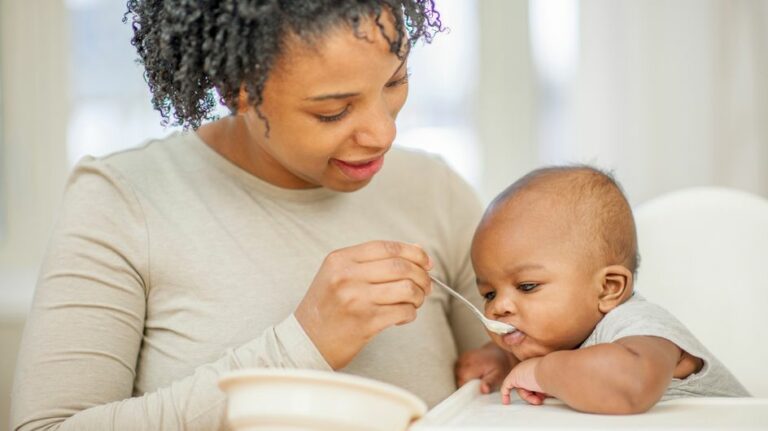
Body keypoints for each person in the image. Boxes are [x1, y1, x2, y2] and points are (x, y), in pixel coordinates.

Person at [10, 2, 510, 430]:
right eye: (333, 111)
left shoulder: (435, 189)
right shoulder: (122, 200)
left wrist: (512, 363)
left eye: (395, 81)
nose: (383, 134)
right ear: (237, 89)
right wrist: (304, 344)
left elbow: (518, 370)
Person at [471, 166, 749, 414]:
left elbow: (629, 386)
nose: (498, 307)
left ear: (608, 289)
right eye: (489, 294)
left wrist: (539, 372)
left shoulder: (638, 326)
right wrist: (501, 358)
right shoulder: (560, 338)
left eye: (527, 286)